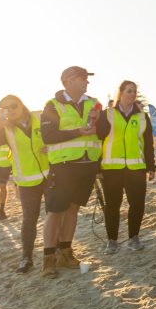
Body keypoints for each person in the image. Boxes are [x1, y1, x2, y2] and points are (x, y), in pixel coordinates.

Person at [39, 66, 103, 277]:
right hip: (63, 166)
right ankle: (49, 259)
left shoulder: (94, 103)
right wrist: (77, 132)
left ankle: (66, 252)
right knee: (55, 211)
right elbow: (48, 136)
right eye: (82, 78)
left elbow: (105, 130)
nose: (86, 82)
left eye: (86, 78)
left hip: (87, 164)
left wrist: (99, 127)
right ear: (68, 81)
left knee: (73, 209)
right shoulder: (52, 105)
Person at [0, 96, 51, 273]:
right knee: (29, 219)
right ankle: (26, 257)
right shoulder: (3, 128)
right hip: (27, 180)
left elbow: (55, 134)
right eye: (5, 108)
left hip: (50, 174)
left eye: (13, 105)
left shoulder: (40, 116)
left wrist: (52, 147)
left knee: (53, 216)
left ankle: (54, 252)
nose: (11, 110)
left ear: (21, 104)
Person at [96, 80, 156, 252]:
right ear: (120, 93)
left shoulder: (143, 117)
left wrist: (151, 166)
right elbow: (98, 140)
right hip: (111, 169)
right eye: (129, 91)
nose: (132, 94)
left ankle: (134, 238)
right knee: (112, 205)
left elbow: (148, 144)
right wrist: (97, 167)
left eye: (134, 91)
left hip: (136, 168)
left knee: (137, 204)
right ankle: (112, 241)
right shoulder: (106, 114)